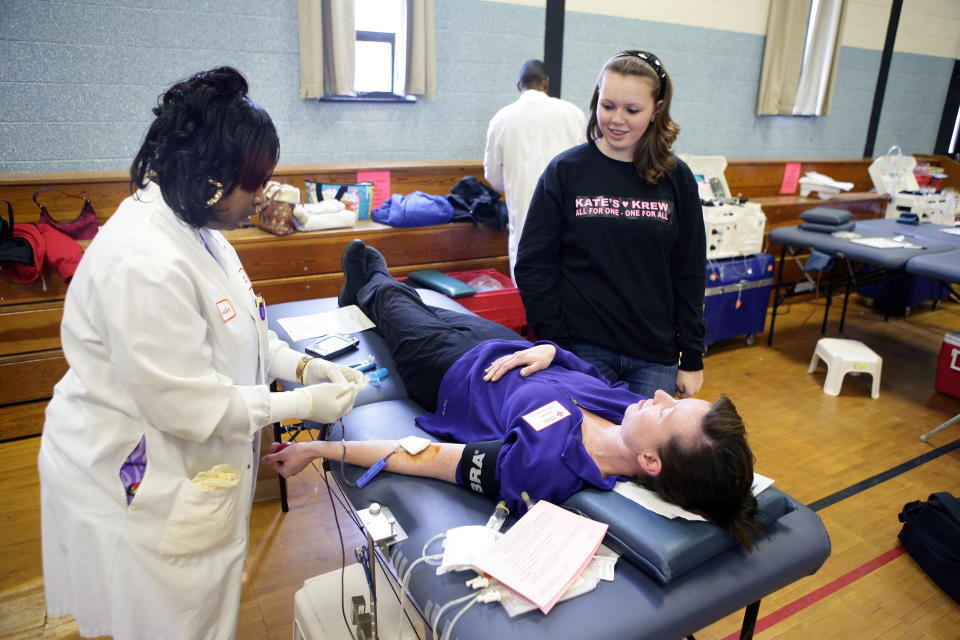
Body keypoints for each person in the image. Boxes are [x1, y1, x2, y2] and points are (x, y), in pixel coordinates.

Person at [37, 67, 365, 640]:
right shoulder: (143, 260)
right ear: (212, 176)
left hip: (189, 465)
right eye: (255, 183)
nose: (263, 196)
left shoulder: (199, 227)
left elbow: (242, 327)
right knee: (167, 620)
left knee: (202, 605)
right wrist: (305, 401)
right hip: (137, 477)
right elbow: (187, 407)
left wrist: (303, 365)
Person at [265, 240, 760, 549]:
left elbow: (428, 456)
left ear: (651, 462)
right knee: (416, 299)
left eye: (668, 412)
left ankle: (364, 282)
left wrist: (319, 448)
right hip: (501, 344)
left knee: (386, 290)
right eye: (675, 398)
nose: (659, 395)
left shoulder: (547, 468)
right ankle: (373, 285)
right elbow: (583, 372)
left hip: (444, 370)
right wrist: (550, 351)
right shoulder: (625, 410)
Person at [514, 50, 707, 399]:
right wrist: (556, 344)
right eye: (608, 105)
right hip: (583, 349)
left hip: (654, 354)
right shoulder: (566, 171)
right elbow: (533, 264)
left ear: (657, 111)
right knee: (587, 450)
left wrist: (692, 357)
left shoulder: (676, 178)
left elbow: (690, 271)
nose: (617, 119)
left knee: (641, 453)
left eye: (632, 110)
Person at [483, 59, 587, 280]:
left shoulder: (502, 119)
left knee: (529, 287)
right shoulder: (573, 114)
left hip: (524, 217)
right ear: (546, 83)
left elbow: (493, 176)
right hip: (569, 215)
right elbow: (587, 166)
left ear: (518, 85)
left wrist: (514, 182)